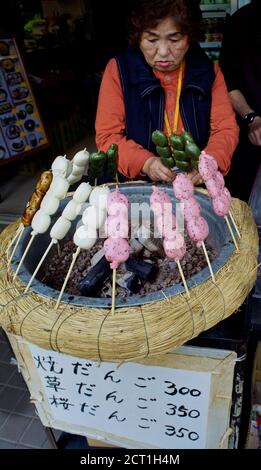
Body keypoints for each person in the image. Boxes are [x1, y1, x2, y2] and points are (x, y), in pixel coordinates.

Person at [95, 0, 239, 184]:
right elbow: (108, 137)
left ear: (190, 36)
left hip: (195, 183)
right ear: (138, 36)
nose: (163, 52)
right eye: (152, 39)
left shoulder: (209, 72)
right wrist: (146, 163)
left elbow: (225, 129)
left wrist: (210, 161)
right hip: (139, 186)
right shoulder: (119, 71)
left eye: (175, 39)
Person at [219, 0, 261, 202]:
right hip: (247, 133)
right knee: (241, 210)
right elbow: (227, 82)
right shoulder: (241, 22)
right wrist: (251, 118)